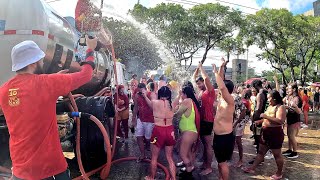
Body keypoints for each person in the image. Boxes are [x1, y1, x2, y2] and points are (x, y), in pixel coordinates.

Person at [0, 36, 97, 179]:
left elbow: (27, 96)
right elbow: (86, 75)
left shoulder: (4, 90)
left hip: (20, 170)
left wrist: (54, 80)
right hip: (50, 169)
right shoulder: (48, 83)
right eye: (40, 59)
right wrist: (90, 50)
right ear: (33, 63)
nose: (42, 61)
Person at [243, 90, 286, 180]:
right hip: (265, 132)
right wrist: (260, 121)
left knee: (277, 154)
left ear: (275, 98)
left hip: (275, 133)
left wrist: (266, 117)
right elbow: (267, 118)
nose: (268, 100)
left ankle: (279, 173)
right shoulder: (270, 106)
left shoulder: (280, 107)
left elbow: (280, 121)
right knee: (261, 152)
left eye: (269, 98)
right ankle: (252, 168)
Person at [143, 86, 176, 180]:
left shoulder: (155, 103)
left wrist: (145, 95)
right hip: (170, 131)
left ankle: (151, 177)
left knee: (154, 157)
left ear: (160, 94)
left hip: (158, 131)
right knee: (169, 157)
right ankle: (173, 178)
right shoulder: (173, 104)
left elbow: (149, 102)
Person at [212, 59, 235, 180]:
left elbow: (221, 85)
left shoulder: (230, 100)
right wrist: (221, 67)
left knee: (222, 163)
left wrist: (215, 71)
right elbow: (222, 81)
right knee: (220, 162)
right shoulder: (223, 98)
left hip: (224, 137)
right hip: (218, 136)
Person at [192, 62, 216, 175]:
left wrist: (201, 67)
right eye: (198, 84)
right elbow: (193, 78)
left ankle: (209, 167)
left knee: (207, 144)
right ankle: (205, 163)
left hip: (208, 120)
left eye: (200, 83)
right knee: (203, 143)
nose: (199, 85)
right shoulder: (201, 91)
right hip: (201, 120)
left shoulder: (210, 91)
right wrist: (197, 69)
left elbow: (206, 78)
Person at [174, 86, 201, 179]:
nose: (181, 95)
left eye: (182, 93)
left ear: (185, 93)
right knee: (188, 152)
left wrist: (175, 108)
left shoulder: (187, 101)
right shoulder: (192, 101)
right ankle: (189, 168)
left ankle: (189, 169)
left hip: (188, 132)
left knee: (182, 154)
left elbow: (177, 114)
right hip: (191, 132)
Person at [132, 83, 155, 161]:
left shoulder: (151, 94)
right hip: (141, 119)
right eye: (138, 92)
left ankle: (151, 152)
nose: (139, 93)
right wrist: (133, 118)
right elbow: (135, 107)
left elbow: (153, 107)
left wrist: (145, 96)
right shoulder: (137, 95)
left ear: (145, 89)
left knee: (148, 139)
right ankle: (143, 155)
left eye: (140, 92)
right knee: (139, 137)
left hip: (150, 121)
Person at [282, 83, 302, 159]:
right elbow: (282, 100)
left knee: (291, 136)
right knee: (289, 135)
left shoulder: (297, 98)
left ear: (294, 89)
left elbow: (299, 111)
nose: (288, 90)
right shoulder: (289, 97)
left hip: (295, 120)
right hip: (290, 118)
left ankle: (295, 152)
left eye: (289, 89)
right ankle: (290, 149)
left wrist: (291, 107)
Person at [233, 90, 251, 168]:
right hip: (233, 120)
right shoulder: (222, 96)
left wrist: (236, 122)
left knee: (238, 140)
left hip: (240, 121)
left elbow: (244, 111)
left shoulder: (235, 97)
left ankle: (241, 160)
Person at [251, 79, 268, 157]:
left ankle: (259, 157)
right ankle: (261, 156)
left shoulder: (260, 94)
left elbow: (258, 108)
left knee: (258, 138)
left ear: (255, 86)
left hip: (258, 119)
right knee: (261, 137)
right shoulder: (266, 91)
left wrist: (254, 120)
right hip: (264, 117)